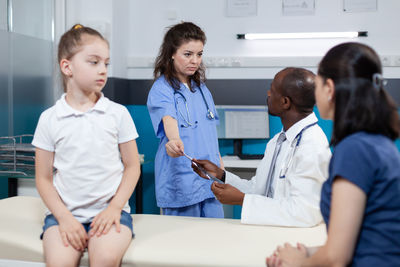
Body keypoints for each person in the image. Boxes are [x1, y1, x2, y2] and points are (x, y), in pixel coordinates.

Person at [267, 43, 400, 267]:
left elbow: (337, 258)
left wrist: (299, 262)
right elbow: (365, 238)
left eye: (317, 85)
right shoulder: (378, 142)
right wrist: (308, 253)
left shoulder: (354, 150)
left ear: (329, 88)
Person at [33, 24, 141, 267]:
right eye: (93, 62)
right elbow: (43, 178)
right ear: (67, 66)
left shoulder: (117, 114)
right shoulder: (50, 118)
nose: (103, 70)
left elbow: (132, 166)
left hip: (111, 213)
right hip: (63, 215)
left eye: (106, 63)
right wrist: (64, 218)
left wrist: (114, 208)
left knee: (103, 259)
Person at [193, 67, 331, 226]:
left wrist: (242, 201)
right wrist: (221, 175)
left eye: (272, 90)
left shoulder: (312, 145)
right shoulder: (278, 141)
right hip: (273, 230)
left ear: (285, 102)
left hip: (296, 239)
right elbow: (259, 189)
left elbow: (303, 213)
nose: (268, 93)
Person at [147, 22, 224, 218]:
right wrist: (174, 140)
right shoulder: (162, 89)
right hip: (182, 179)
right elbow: (168, 118)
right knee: (184, 244)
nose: (195, 60)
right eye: (188, 54)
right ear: (172, 53)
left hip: (210, 179)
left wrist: (222, 169)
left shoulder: (202, 89)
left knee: (217, 241)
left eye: (199, 54)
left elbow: (210, 133)